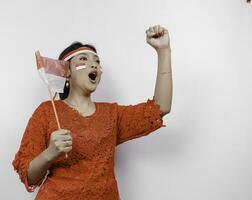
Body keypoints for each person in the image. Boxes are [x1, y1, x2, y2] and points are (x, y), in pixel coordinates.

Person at [12, 24, 172, 200]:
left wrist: (163, 51)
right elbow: (28, 176)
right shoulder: (46, 112)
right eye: (84, 59)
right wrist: (50, 153)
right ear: (67, 71)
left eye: (97, 61)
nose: (93, 65)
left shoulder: (112, 114)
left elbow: (160, 108)